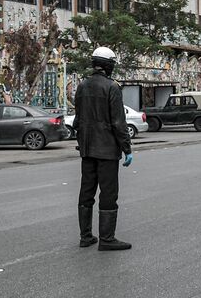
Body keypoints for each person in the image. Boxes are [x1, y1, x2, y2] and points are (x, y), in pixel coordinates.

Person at [73, 46, 133, 251]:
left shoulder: (82, 86)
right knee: (108, 193)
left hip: (87, 150)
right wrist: (127, 148)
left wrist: (82, 143)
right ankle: (107, 238)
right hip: (107, 151)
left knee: (86, 191)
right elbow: (118, 122)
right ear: (109, 65)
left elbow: (78, 119)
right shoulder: (112, 87)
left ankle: (86, 236)